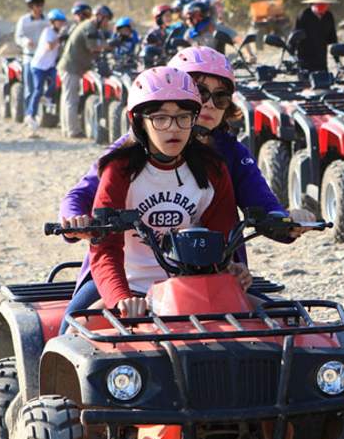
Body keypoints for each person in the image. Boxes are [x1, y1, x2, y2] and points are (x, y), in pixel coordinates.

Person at [57, 46, 307, 320]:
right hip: (125, 277)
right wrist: (75, 222)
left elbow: (254, 207)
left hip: (201, 278)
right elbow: (84, 205)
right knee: (72, 329)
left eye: (220, 96)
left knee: (280, 326)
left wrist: (282, 223)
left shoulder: (223, 159)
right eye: (201, 92)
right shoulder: (122, 161)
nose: (210, 104)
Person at [84, 66, 241, 319]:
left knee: (272, 329)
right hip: (133, 288)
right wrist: (121, 298)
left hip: (196, 289)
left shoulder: (213, 168)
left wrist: (230, 267)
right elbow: (105, 248)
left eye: (183, 117)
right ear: (139, 122)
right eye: (160, 118)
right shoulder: (119, 170)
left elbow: (221, 237)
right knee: (70, 332)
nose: (173, 128)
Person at [57, 4, 111, 138]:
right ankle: (73, 131)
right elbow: (93, 47)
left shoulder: (88, 26)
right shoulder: (89, 27)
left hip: (70, 66)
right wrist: (110, 45)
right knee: (71, 100)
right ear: (99, 17)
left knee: (67, 99)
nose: (107, 23)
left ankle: (67, 129)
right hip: (71, 67)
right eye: (106, 20)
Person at [25, 8, 66, 134]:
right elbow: (50, 47)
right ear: (53, 22)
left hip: (50, 66)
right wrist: (61, 37)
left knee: (57, 80)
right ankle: (30, 114)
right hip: (38, 66)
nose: (61, 23)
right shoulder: (48, 31)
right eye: (58, 21)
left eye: (62, 21)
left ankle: (47, 97)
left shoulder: (57, 33)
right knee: (37, 90)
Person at [14, 0, 48, 126]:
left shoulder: (47, 20)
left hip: (45, 57)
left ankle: (45, 115)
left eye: (41, 5)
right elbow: (18, 37)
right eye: (37, 5)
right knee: (30, 87)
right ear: (31, 6)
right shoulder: (23, 20)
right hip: (30, 57)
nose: (39, 8)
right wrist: (25, 42)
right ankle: (29, 115)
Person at [294, 0, 338, 72]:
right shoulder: (304, 16)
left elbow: (333, 41)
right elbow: (294, 39)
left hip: (321, 63)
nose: (323, 6)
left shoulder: (328, 17)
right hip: (305, 65)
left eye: (325, 4)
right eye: (319, 4)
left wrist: (338, 61)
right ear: (313, 3)